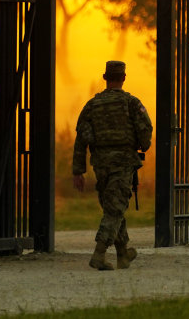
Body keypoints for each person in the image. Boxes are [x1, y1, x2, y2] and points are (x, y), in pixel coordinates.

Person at [72, 60, 153, 270]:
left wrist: (78, 171)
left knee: (113, 206)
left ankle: (123, 254)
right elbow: (146, 130)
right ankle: (99, 254)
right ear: (123, 78)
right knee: (115, 210)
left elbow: (80, 137)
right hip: (123, 163)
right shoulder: (132, 103)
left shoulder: (91, 105)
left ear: (105, 78)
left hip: (100, 164)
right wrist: (143, 145)